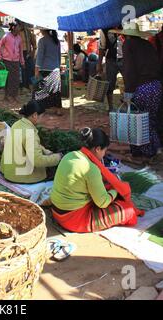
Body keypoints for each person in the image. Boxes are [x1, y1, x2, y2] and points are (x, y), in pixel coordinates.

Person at [50, 127, 144, 233]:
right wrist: (116, 191)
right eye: (104, 150)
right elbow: (102, 203)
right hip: (73, 219)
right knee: (128, 211)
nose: (104, 154)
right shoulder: (90, 168)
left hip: (56, 211)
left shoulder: (69, 155)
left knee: (107, 187)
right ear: (98, 149)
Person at [112, 23, 162, 158]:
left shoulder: (128, 45)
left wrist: (128, 92)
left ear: (125, 35)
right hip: (156, 85)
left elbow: (129, 70)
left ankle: (145, 152)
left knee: (139, 121)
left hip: (143, 87)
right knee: (150, 119)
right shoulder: (147, 44)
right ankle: (154, 149)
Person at [0, 100, 62, 183]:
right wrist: (58, 158)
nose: (45, 118)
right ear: (35, 115)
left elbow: (30, 144)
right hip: (19, 176)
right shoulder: (30, 133)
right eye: (43, 116)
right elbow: (38, 161)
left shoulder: (17, 124)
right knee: (55, 172)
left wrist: (46, 151)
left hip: (9, 172)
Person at [33, 29, 62, 111]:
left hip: (44, 69)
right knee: (55, 91)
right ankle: (58, 110)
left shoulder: (42, 41)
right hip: (55, 69)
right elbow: (59, 56)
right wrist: (58, 67)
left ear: (42, 30)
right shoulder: (57, 41)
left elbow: (39, 56)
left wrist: (36, 70)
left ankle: (40, 108)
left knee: (40, 90)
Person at [0, 22, 25, 103]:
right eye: (19, 27)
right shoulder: (6, 36)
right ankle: (8, 96)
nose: (20, 28)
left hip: (16, 62)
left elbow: (21, 51)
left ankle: (13, 96)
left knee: (16, 80)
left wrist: (22, 61)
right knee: (8, 80)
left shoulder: (19, 38)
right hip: (7, 61)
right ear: (14, 28)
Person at [97, 27, 123, 111]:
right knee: (110, 83)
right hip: (111, 59)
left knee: (129, 82)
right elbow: (101, 47)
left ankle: (129, 104)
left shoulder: (124, 25)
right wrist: (99, 63)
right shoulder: (104, 30)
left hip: (124, 58)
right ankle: (111, 107)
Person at [17, 19, 37, 91]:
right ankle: (23, 86)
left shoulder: (28, 32)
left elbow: (34, 44)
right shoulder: (16, 33)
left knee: (31, 69)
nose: (21, 25)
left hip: (28, 53)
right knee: (22, 70)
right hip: (19, 53)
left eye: (22, 23)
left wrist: (33, 53)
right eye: (20, 24)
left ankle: (31, 85)